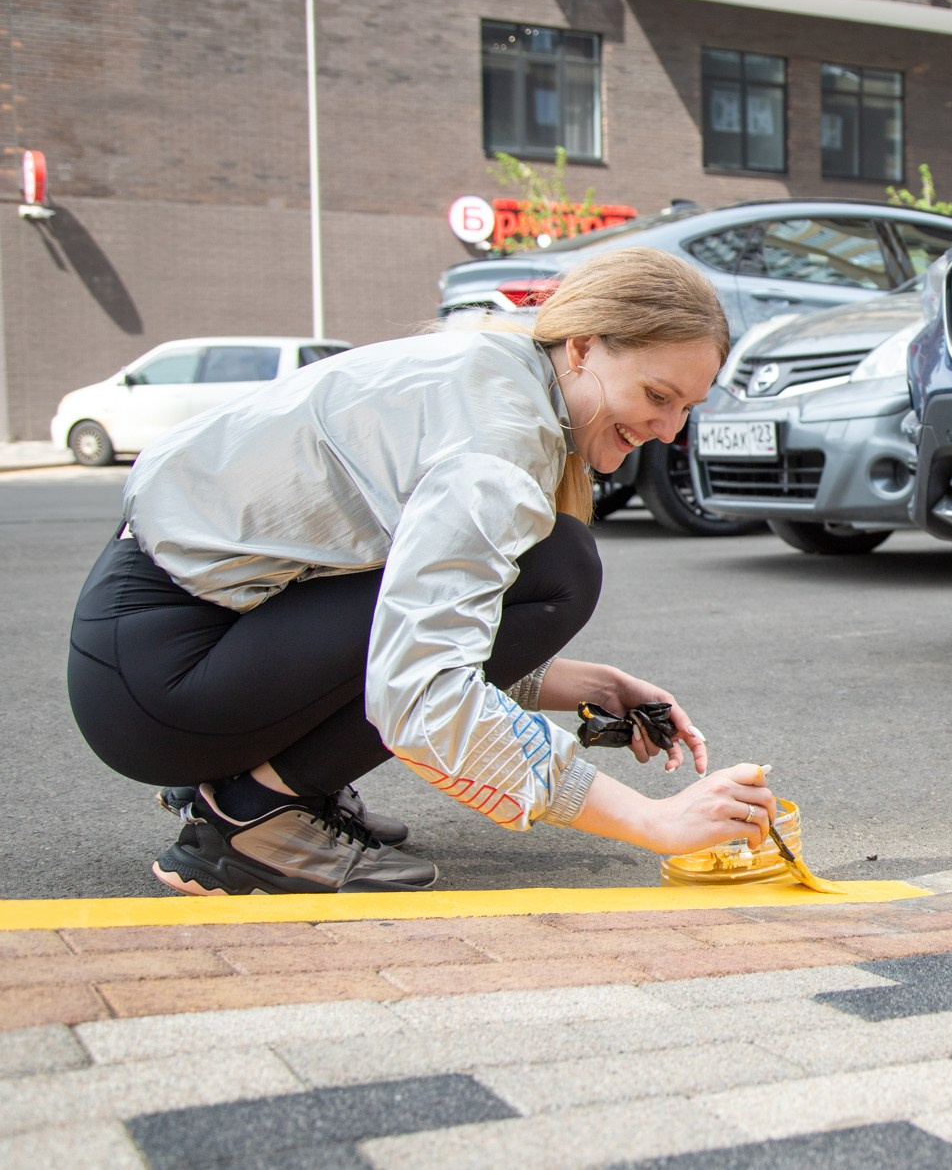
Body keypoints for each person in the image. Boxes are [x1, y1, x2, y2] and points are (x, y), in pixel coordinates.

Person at [68, 248, 779, 894]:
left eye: (687, 407)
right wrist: (655, 820)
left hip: (162, 646)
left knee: (556, 562)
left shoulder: (498, 368)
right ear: (585, 346)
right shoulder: (496, 447)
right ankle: (254, 814)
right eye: (658, 396)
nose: (669, 431)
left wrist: (586, 686)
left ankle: (265, 789)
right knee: (561, 569)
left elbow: (405, 607)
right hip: (160, 683)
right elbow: (423, 692)